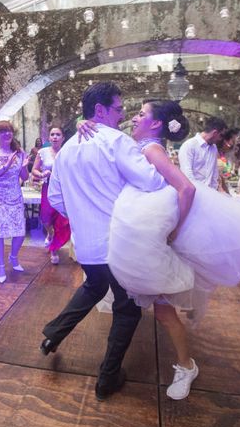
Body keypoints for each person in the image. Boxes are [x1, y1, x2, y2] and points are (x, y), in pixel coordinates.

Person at [104, 100, 240, 400]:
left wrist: (174, 231)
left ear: (157, 124)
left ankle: (186, 365)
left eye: (141, 114)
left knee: (162, 310)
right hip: (141, 238)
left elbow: (185, 189)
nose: (134, 117)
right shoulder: (140, 147)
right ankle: (172, 363)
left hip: (153, 239)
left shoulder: (151, 149)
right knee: (155, 308)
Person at [39, 82, 166, 402]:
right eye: (119, 109)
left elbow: (55, 197)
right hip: (118, 243)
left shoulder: (66, 148)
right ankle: (107, 377)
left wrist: (81, 214)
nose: (123, 115)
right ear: (100, 110)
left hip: (86, 245)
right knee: (128, 309)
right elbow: (151, 182)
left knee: (93, 287)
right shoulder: (117, 141)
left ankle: (53, 334)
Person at [0, 120, 29, 283]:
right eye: (2, 131)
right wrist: (6, 166)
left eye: (9, 131)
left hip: (15, 196)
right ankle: (1, 266)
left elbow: (25, 177)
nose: (7, 134)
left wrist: (23, 166)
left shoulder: (19, 151)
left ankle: (13, 257)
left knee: (20, 231)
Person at [31, 127, 71, 264]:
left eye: (58, 134)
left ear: (63, 138)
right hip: (47, 188)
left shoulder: (68, 152)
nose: (55, 137)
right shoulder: (42, 152)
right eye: (52, 134)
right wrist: (42, 174)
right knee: (46, 217)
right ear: (49, 137)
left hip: (64, 190)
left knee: (61, 221)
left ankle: (54, 250)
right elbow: (34, 170)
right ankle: (50, 232)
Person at [178, 116, 227, 190]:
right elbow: (187, 175)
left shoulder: (213, 148)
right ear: (215, 133)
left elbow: (214, 174)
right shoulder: (189, 146)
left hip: (210, 194)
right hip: (194, 194)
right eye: (221, 136)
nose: (220, 139)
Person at [216, 128, 237, 193]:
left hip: (225, 187)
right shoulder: (214, 151)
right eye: (233, 141)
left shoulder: (227, 154)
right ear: (225, 141)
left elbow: (226, 173)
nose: (234, 144)